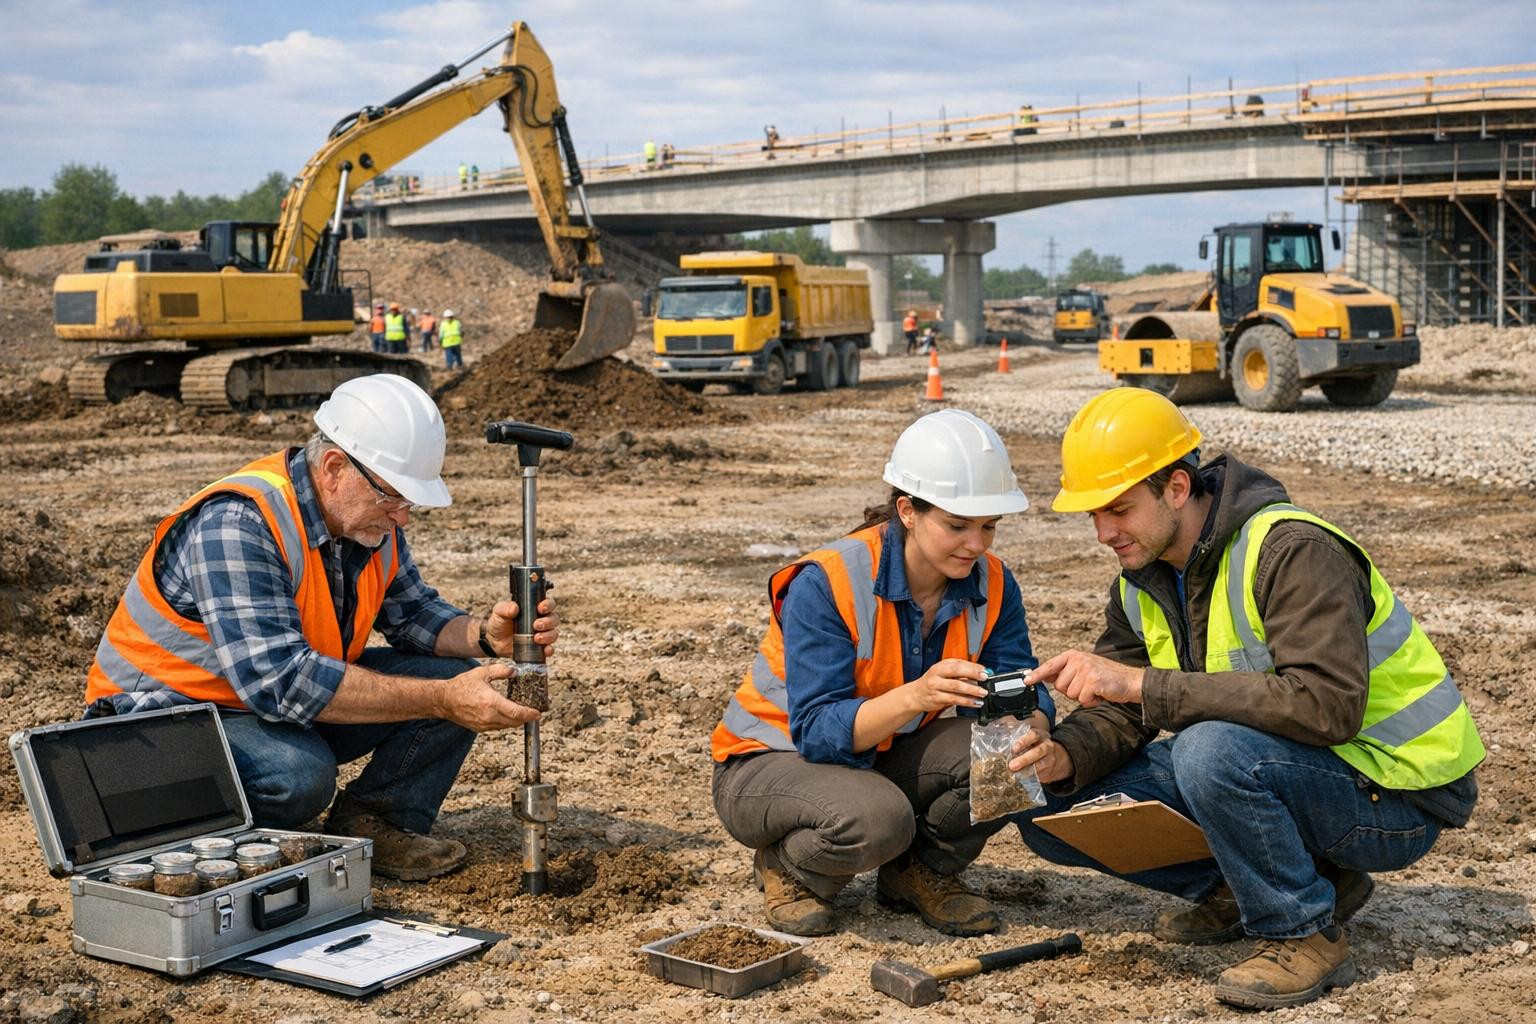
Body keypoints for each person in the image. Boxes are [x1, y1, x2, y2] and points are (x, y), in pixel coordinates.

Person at [1007, 388, 1484, 1010]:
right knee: (1047, 808)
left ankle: (1300, 931)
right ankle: (1268, 882)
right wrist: (1064, 755)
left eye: (1118, 509)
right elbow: (1123, 705)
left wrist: (1146, 686)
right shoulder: (1142, 580)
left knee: (1209, 751)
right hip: (1298, 774)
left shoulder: (1291, 550)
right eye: (1093, 514)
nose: (1103, 533)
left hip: (1399, 795)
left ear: (1177, 487)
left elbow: (1326, 705)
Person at [82, 374, 561, 881]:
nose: (402, 518)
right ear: (334, 467)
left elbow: (415, 615)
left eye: (409, 504)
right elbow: (280, 683)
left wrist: (485, 636)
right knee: (297, 776)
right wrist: (442, 699)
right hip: (159, 729)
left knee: (451, 674)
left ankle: (375, 821)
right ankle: (208, 843)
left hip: (254, 703)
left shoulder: (368, 522)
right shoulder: (240, 523)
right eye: (393, 499)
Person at [710, 410, 1052, 937]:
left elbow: (1021, 683)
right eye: (957, 525)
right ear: (907, 511)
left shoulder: (995, 582)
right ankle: (790, 867)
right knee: (879, 820)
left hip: (882, 753)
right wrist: (916, 696)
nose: (977, 545)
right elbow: (819, 732)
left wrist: (1036, 726)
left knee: (1010, 754)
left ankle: (921, 872)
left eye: (989, 526)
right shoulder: (828, 581)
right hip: (771, 761)